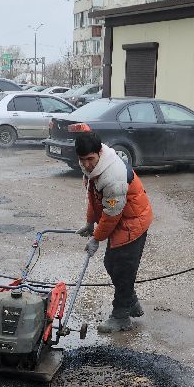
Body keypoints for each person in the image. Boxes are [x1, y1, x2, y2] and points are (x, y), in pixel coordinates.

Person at [75, 131, 153, 333]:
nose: (87, 165)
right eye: (82, 160)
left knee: (122, 269)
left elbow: (111, 214)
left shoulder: (113, 176)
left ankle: (121, 317)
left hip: (132, 223)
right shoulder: (93, 169)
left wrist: (96, 238)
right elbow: (93, 197)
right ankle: (130, 301)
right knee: (111, 263)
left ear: (99, 153)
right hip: (120, 218)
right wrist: (90, 222)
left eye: (90, 159)